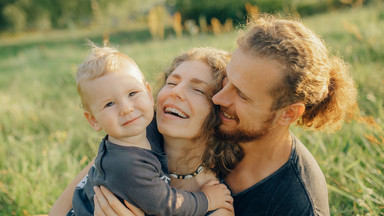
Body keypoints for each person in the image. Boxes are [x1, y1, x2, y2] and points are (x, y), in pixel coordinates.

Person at [90, 15, 357, 215]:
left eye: (241, 94)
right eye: (226, 81)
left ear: (287, 114)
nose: (219, 98)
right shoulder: (189, 127)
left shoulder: (296, 202)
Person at [49, 47, 236, 216]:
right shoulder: (126, 146)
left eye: (198, 90)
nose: (175, 91)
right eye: (171, 83)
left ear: (219, 112)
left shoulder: (216, 200)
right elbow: (56, 212)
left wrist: (207, 200)